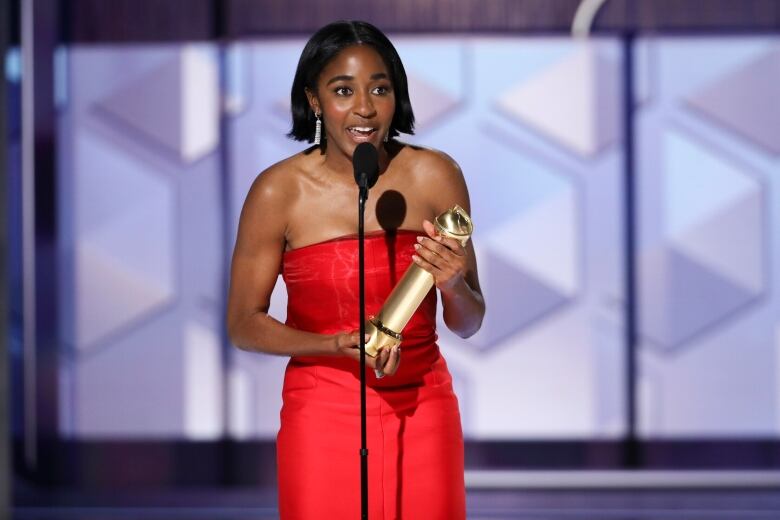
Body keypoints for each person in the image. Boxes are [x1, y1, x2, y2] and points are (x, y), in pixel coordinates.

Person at [227, 20, 485, 519]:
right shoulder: (277, 191)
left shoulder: (436, 175)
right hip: (321, 409)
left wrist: (453, 283)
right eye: (343, 90)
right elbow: (243, 325)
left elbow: (470, 321)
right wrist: (331, 345)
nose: (364, 107)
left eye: (379, 89)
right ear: (315, 100)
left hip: (422, 407)